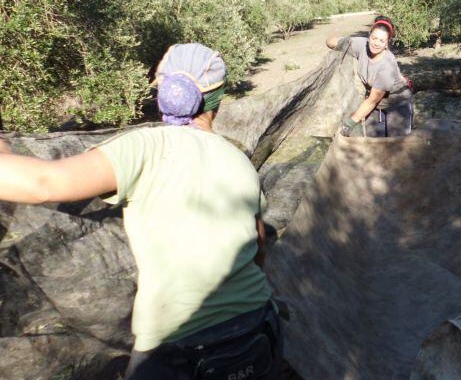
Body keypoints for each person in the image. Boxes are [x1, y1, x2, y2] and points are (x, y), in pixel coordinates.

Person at [0, 43, 281, 379]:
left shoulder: (145, 148)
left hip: (176, 344)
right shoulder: (238, 159)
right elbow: (259, 247)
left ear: (164, 90)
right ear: (218, 99)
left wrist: (5, 151)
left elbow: (42, 184)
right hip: (257, 324)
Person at [325, 16, 414, 137]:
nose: (376, 43)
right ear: (369, 36)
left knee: (396, 146)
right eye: (374, 38)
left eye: (381, 41)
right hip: (376, 106)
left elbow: (372, 101)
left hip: (397, 104)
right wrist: (340, 42)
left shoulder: (387, 66)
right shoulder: (361, 45)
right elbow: (331, 42)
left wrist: (349, 123)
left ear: (387, 43)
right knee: (374, 143)